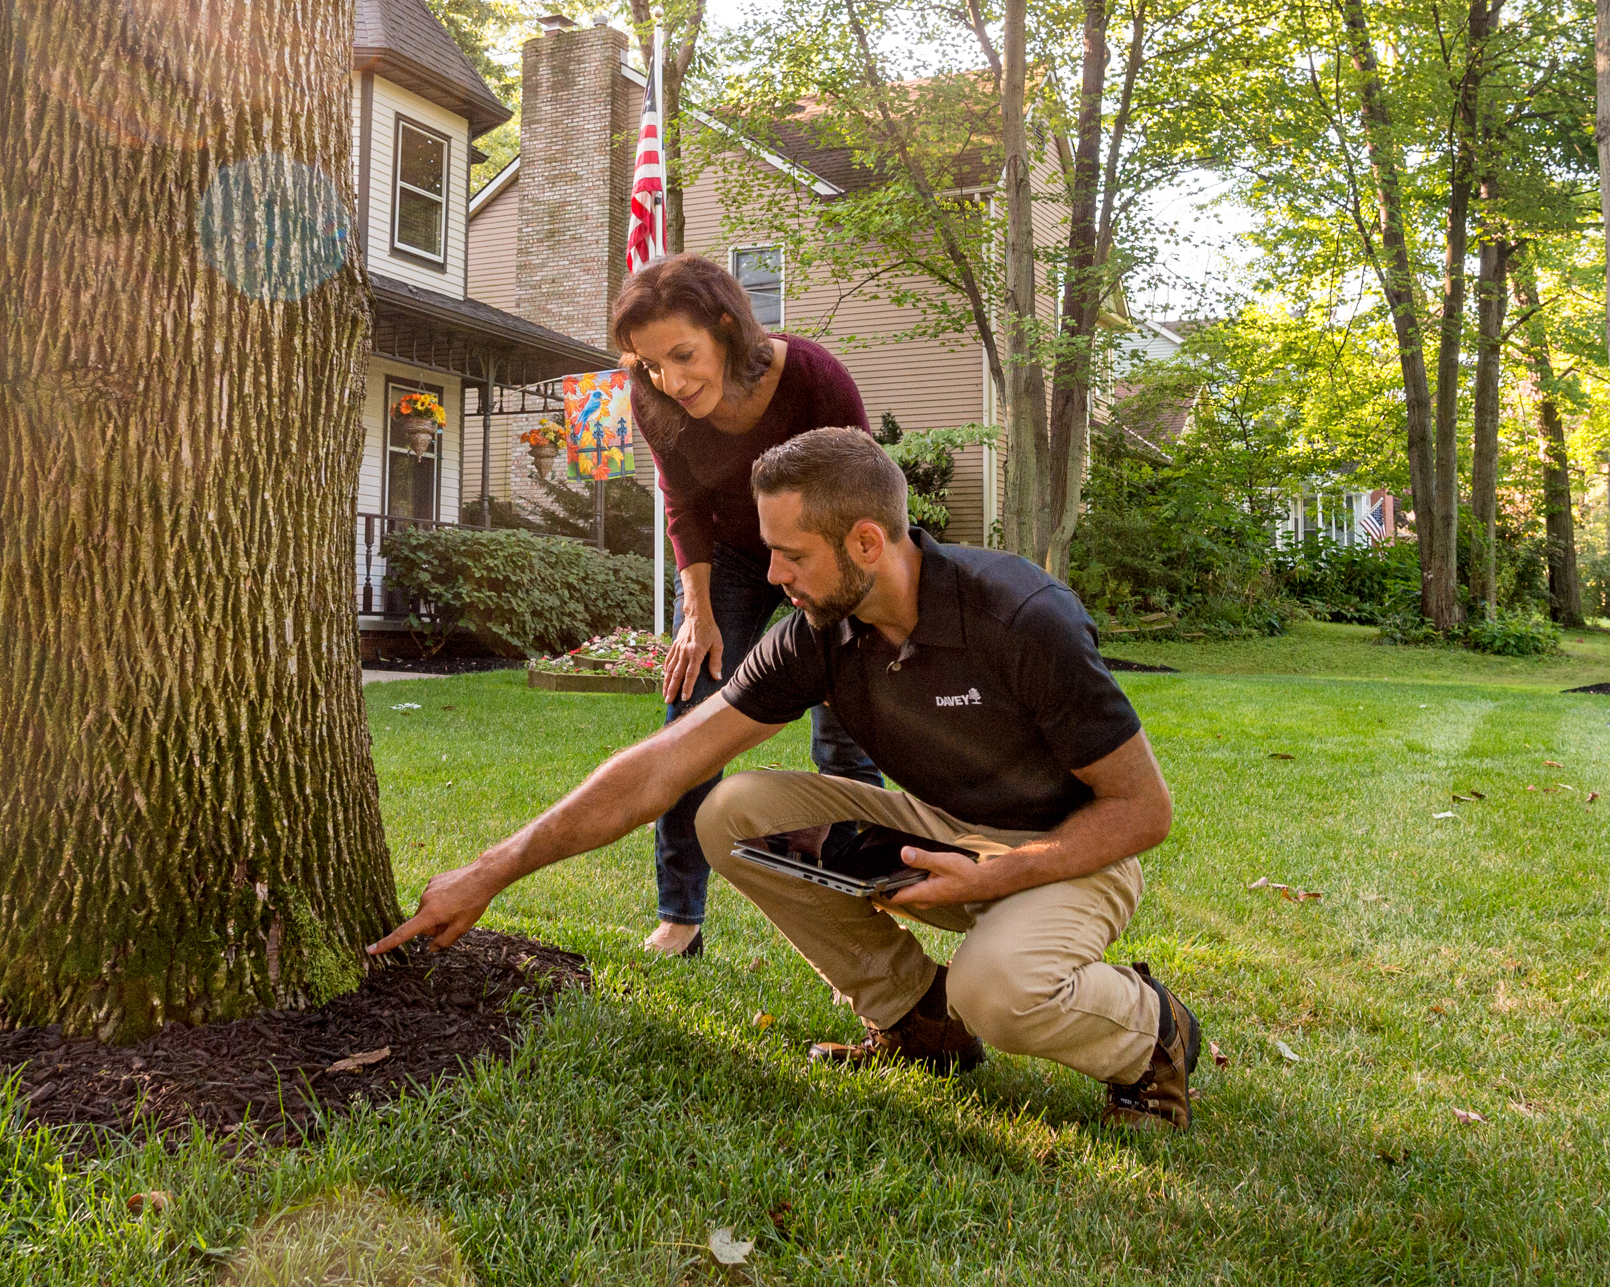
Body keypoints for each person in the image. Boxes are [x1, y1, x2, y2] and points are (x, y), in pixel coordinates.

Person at [371, 427, 1213, 1130]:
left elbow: (1142, 811)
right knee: (731, 810)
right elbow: (664, 766)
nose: (774, 575)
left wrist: (999, 874)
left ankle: (1155, 1035)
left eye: (790, 554)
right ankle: (917, 1020)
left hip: (1072, 851)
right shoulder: (818, 633)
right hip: (943, 831)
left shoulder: (1021, 618)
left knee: (996, 988)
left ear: (866, 543)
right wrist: (493, 869)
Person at [613, 254, 882, 960]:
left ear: (727, 329)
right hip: (731, 554)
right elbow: (683, 501)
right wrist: (696, 612)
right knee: (690, 716)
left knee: (846, 730)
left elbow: (861, 494)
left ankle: (860, 919)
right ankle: (679, 916)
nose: (672, 382)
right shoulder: (653, 398)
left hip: (823, 550)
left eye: (683, 356)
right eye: (651, 365)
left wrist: (841, 614)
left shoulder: (816, 379)